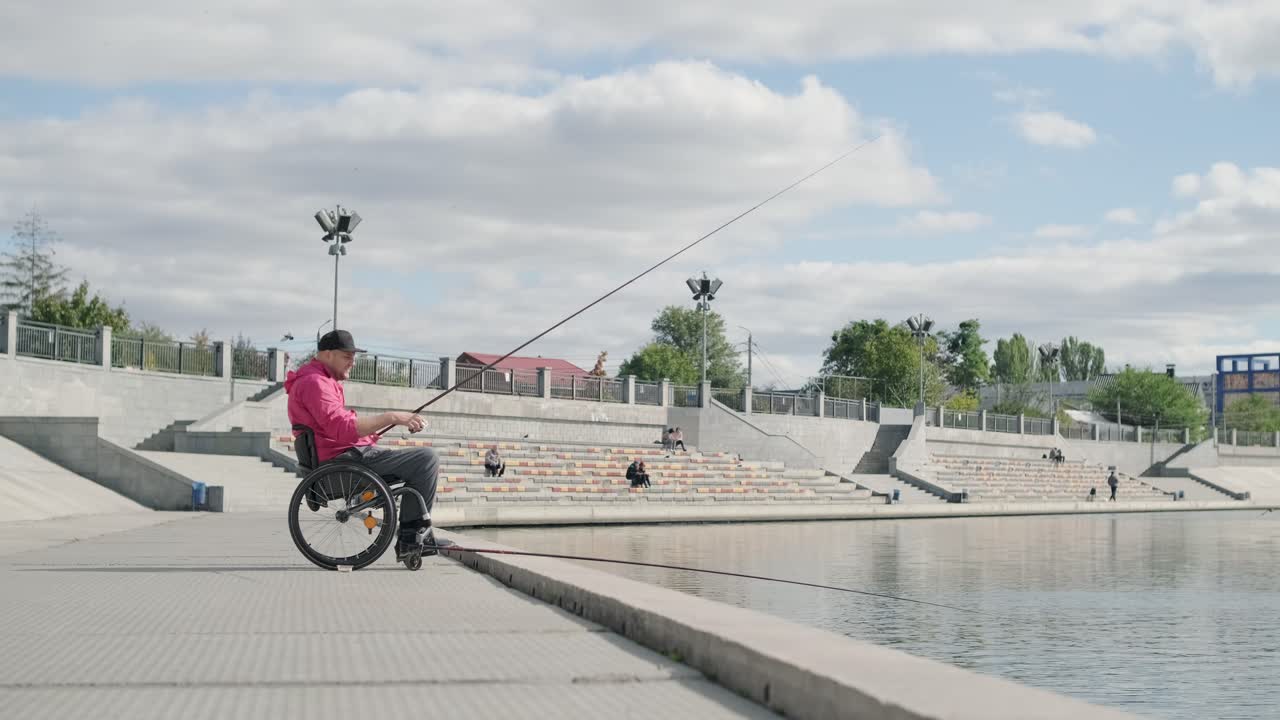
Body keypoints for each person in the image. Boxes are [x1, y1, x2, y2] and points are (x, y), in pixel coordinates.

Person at [285, 329, 441, 559]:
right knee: (426, 459)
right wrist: (392, 417)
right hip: (339, 468)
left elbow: (336, 429)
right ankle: (411, 540)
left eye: (353, 357)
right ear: (327, 354)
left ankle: (414, 538)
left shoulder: (319, 380)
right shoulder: (315, 383)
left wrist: (370, 437)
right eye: (347, 356)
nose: (353, 362)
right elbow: (342, 427)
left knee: (420, 460)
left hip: (343, 460)